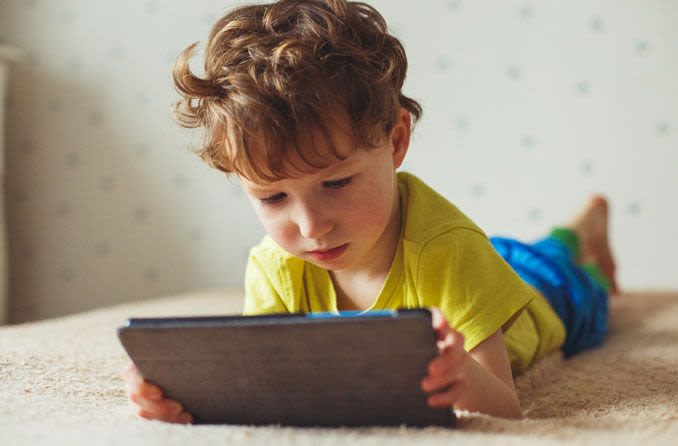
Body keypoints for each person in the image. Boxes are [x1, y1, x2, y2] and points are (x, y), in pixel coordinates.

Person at [121, 0, 619, 424]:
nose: (312, 226)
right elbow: (264, 387)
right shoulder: (275, 267)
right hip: (490, 262)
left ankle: (587, 229)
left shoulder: (450, 252)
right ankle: (577, 228)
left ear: (396, 140)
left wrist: (463, 379)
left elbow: (505, 408)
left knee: (568, 272)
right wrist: (178, 396)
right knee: (523, 251)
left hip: (543, 294)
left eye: (336, 183)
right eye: (273, 198)